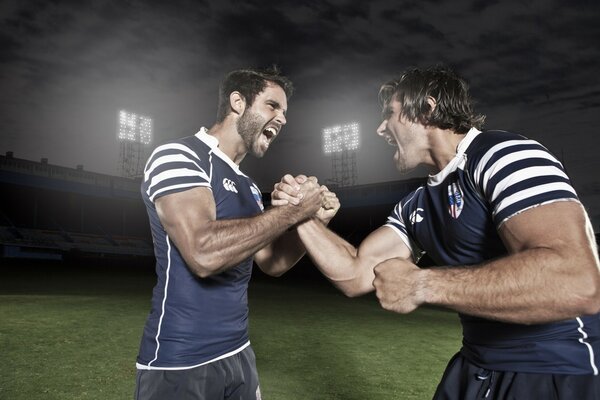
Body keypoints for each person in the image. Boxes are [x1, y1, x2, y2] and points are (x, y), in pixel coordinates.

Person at [273, 65, 600, 399]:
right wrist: (301, 215)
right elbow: (356, 273)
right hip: (475, 366)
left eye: (390, 114)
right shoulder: (417, 203)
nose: (380, 128)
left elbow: (575, 279)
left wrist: (422, 284)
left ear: (427, 109)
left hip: (555, 371)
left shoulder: (503, 155)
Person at [134, 67, 339, 400]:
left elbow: (272, 264)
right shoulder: (178, 155)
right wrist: (291, 211)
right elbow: (202, 253)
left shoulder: (249, 188)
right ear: (238, 102)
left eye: (285, 112)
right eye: (273, 106)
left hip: (239, 353)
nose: (283, 119)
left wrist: (313, 220)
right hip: (181, 361)